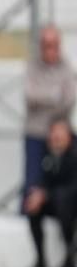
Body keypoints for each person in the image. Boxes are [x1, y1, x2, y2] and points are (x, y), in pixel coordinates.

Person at [24, 26, 75, 209]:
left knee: (66, 179)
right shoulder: (32, 66)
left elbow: (69, 98)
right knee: (33, 180)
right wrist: (54, 95)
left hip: (61, 135)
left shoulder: (66, 66)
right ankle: (28, 214)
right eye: (46, 45)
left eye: (54, 45)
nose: (50, 50)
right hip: (36, 133)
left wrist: (44, 101)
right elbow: (30, 96)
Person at [26, 118, 76, 267]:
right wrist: (37, 194)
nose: (56, 138)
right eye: (53, 134)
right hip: (56, 201)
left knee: (64, 201)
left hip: (70, 203)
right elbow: (41, 181)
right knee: (33, 206)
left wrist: (46, 195)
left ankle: (69, 257)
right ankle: (40, 258)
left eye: (60, 134)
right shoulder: (48, 156)